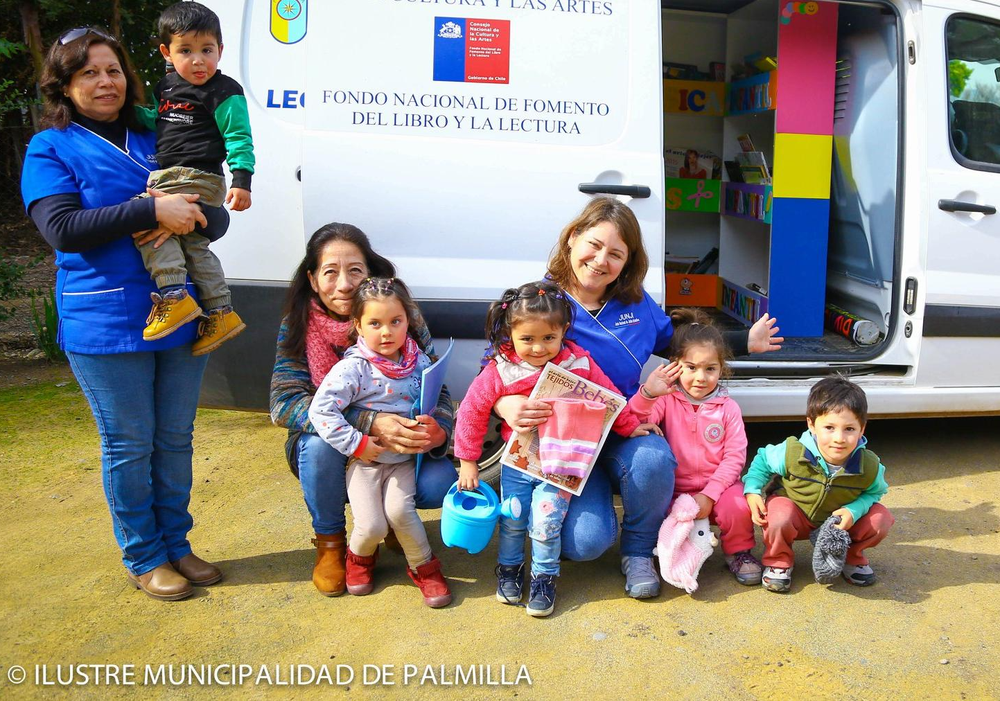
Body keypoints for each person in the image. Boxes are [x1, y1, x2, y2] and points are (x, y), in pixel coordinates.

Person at [21, 27, 223, 601]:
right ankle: (144, 554)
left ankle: (177, 544)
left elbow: (216, 215)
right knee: (130, 443)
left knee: (175, 438)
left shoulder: (159, 129)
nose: (104, 82)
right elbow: (61, 229)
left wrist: (191, 212)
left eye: (112, 70)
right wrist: (151, 208)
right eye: (88, 73)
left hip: (180, 310)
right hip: (106, 319)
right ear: (64, 85)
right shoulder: (51, 147)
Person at [494, 197, 782, 599]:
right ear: (573, 238)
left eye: (615, 254)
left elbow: (678, 344)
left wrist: (742, 342)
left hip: (625, 426)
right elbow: (495, 366)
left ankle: (638, 550)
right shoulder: (541, 299)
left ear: (627, 263)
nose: (600, 261)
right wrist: (503, 404)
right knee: (584, 543)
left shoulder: (635, 302)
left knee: (653, 457)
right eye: (593, 245)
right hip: (567, 445)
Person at [269, 223, 457, 597]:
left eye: (355, 270)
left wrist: (440, 427)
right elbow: (283, 404)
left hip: (401, 449)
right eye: (330, 272)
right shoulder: (299, 324)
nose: (344, 284)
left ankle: (392, 527)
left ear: (370, 273)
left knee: (439, 482)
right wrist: (369, 423)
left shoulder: (400, 315)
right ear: (312, 278)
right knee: (319, 445)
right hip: (339, 444)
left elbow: (437, 383)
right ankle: (332, 543)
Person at [454, 281, 657, 617]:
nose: (538, 348)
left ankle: (544, 578)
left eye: (549, 338)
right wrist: (468, 462)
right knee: (513, 518)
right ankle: (509, 569)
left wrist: (630, 426)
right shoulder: (500, 369)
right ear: (510, 333)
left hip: (561, 464)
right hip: (518, 463)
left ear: (563, 330)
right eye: (527, 339)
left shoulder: (578, 362)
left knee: (546, 522)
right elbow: (471, 412)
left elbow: (607, 400)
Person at [308, 277, 452, 608]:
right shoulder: (354, 368)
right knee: (371, 524)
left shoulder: (419, 363)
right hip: (365, 463)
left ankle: (425, 568)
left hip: (404, 462)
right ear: (358, 324)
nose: (386, 332)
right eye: (375, 323)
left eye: (395, 322)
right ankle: (359, 559)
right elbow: (321, 409)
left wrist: (434, 426)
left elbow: (434, 398)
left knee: (401, 512)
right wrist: (356, 444)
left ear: (408, 321)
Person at [132, 1, 253, 355]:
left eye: (207, 50)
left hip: (197, 175)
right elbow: (154, 118)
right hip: (174, 173)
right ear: (167, 52)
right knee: (193, 244)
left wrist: (242, 180)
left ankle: (173, 294)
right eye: (186, 51)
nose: (198, 60)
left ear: (220, 50)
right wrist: (126, 111)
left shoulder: (224, 91)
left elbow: (239, 137)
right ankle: (220, 311)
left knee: (143, 217)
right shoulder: (166, 86)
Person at [627, 308, 761, 586]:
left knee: (737, 505)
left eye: (710, 369)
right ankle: (661, 551)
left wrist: (710, 495)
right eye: (691, 368)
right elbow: (637, 422)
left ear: (721, 368)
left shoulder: (728, 408)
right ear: (675, 365)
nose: (701, 377)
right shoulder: (666, 399)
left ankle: (739, 552)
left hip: (719, 488)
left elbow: (735, 457)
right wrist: (647, 394)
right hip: (675, 488)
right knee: (654, 507)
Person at [743, 376, 894, 592]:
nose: (839, 438)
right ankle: (778, 561)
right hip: (796, 516)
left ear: (862, 428)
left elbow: (875, 493)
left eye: (849, 429)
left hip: (837, 526)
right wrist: (753, 490)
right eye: (830, 427)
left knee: (881, 519)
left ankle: (850, 557)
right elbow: (763, 460)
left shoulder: (869, 466)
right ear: (811, 424)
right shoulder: (792, 452)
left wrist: (854, 511)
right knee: (778, 513)